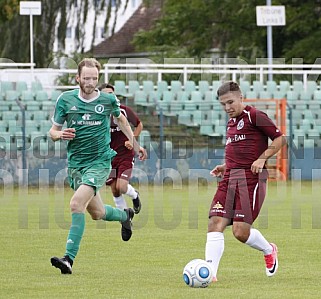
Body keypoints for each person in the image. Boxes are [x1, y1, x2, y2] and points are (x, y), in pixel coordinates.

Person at [49, 58, 147, 275]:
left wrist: (136, 144)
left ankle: (68, 259)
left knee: (76, 204)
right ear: (78, 78)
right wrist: (59, 135)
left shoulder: (108, 100)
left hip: (100, 162)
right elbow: (53, 131)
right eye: (86, 78)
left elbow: (121, 120)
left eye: (94, 78)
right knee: (98, 212)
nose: (91, 82)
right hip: (76, 165)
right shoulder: (65, 100)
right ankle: (125, 215)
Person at [205, 81, 287, 281]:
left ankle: (269, 250)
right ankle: (210, 274)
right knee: (215, 222)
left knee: (240, 232)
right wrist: (225, 166)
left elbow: (280, 139)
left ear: (241, 98)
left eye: (230, 102)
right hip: (228, 179)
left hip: (251, 180)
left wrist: (261, 159)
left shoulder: (255, 116)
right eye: (223, 104)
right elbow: (240, 149)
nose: (227, 108)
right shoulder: (231, 122)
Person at [98, 83, 142, 214]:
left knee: (121, 186)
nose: (109, 96)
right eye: (106, 94)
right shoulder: (98, 115)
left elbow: (139, 125)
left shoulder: (123, 111)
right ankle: (125, 219)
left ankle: (134, 195)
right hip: (109, 158)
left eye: (111, 93)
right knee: (114, 189)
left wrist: (132, 138)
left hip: (125, 155)